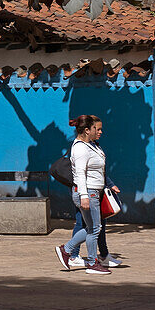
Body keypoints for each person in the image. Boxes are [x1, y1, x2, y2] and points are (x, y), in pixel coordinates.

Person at [54, 115, 112, 275]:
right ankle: (91, 263)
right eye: (97, 129)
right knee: (94, 229)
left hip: (94, 192)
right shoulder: (80, 148)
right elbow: (80, 173)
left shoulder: (91, 145)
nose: (100, 132)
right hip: (88, 192)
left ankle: (66, 250)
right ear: (87, 130)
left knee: (93, 228)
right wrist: (84, 195)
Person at [67, 173, 122, 269]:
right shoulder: (83, 157)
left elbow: (99, 170)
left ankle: (101, 256)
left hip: (92, 189)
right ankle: (72, 254)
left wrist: (109, 184)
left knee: (97, 224)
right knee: (88, 225)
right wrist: (83, 195)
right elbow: (84, 171)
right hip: (86, 191)